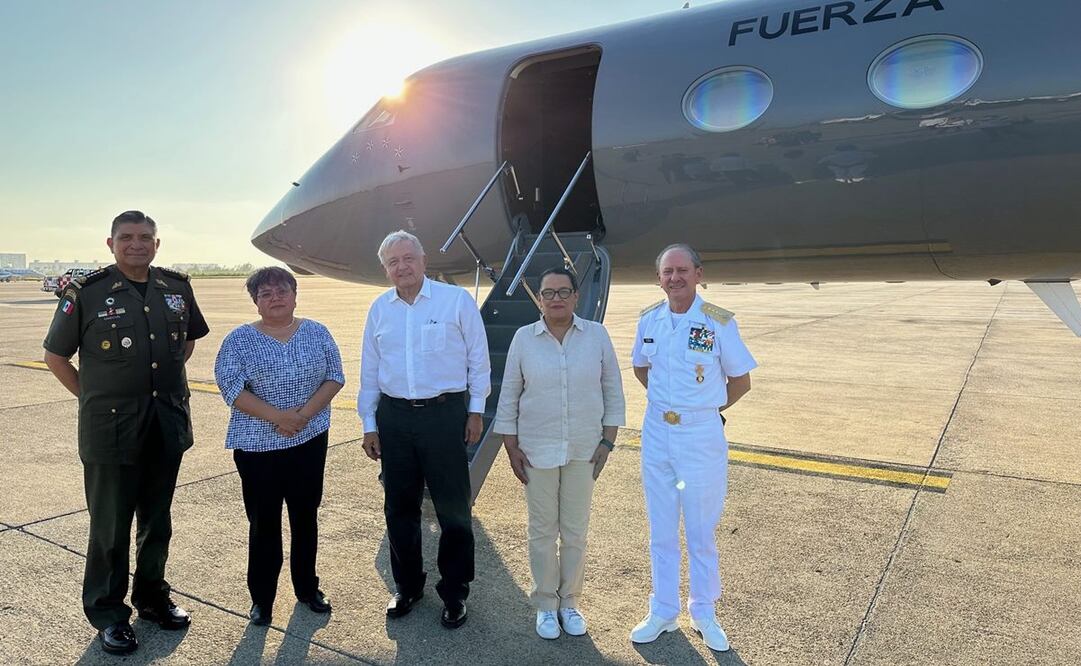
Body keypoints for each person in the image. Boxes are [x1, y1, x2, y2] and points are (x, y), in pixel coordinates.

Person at [42, 210, 210, 655]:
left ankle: (152, 597)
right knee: (110, 528)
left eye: (145, 237)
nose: (137, 244)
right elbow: (55, 357)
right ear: (111, 243)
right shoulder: (88, 292)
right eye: (127, 237)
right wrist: (93, 397)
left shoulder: (176, 288)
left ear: (157, 244)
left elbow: (186, 341)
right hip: (110, 431)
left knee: (157, 521)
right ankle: (109, 613)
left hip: (165, 424)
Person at [358, 230, 490, 629]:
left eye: (408, 258)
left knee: (454, 509)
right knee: (399, 508)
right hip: (394, 417)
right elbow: (369, 371)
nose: (402, 267)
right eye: (393, 262)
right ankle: (408, 586)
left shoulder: (455, 301)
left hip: (444, 415)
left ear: (423, 260)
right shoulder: (380, 309)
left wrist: (476, 411)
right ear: (386, 269)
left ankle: (455, 592)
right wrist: (369, 424)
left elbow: (478, 359)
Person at [628, 243, 757, 653]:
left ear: (699, 274)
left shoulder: (718, 321)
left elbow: (741, 381)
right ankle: (663, 610)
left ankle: (704, 611)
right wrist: (670, 407)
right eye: (668, 272)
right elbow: (641, 367)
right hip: (657, 432)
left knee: (700, 531)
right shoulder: (649, 319)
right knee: (661, 528)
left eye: (682, 270)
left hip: (700, 436)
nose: (675, 278)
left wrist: (701, 410)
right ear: (659, 278)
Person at [493, 267, 625, 640]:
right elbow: (510, 393)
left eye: (563, 291)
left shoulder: (596, 336)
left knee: (575, 531)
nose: (556, 299)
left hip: (585, 449)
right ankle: (546, 605)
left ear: (576, 296)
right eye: (548, 293)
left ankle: (570, 602)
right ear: (539, 299)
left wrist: (608, 441)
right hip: (536, 449)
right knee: (541, 531)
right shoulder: (524, 339)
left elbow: (612, 389)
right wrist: (510, 445)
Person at [213, 267, 344, 626]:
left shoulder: (316, 332)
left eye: (282, 290)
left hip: (308, 440)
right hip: (258, 449)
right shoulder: (238, 340)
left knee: (305, 516)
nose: (275, 298)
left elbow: (335, 376)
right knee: (264, 522)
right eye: (266, 293)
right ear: (255, 302)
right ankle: (262, 599)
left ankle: (307, 588)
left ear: (295, 295)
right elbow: (231, 388)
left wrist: (302, 417)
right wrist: (279, 418)